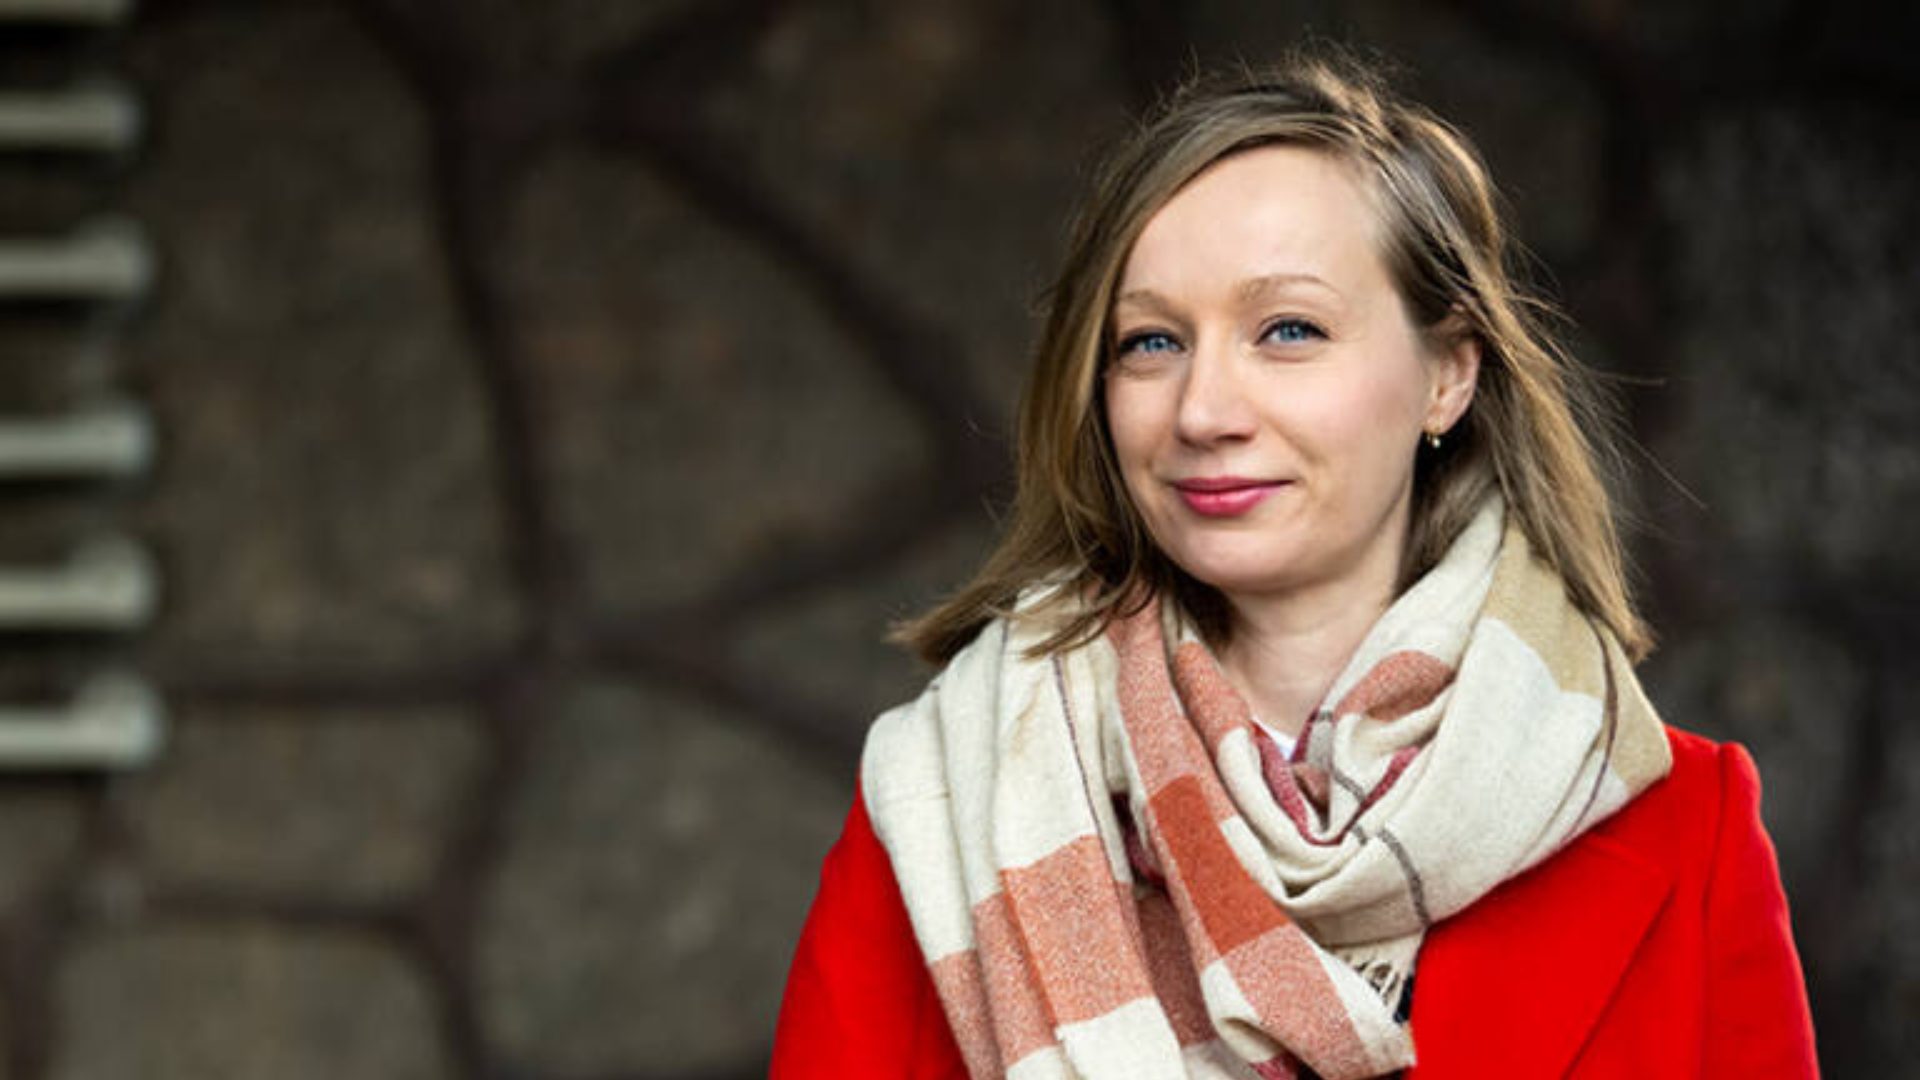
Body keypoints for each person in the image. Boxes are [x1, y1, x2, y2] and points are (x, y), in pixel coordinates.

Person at [771, 52, 1818, 1079]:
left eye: (1287, 329)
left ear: (1448, 375)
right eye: (1150, 343)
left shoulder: (1684, 826)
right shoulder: (946, 798)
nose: (1204, 412)